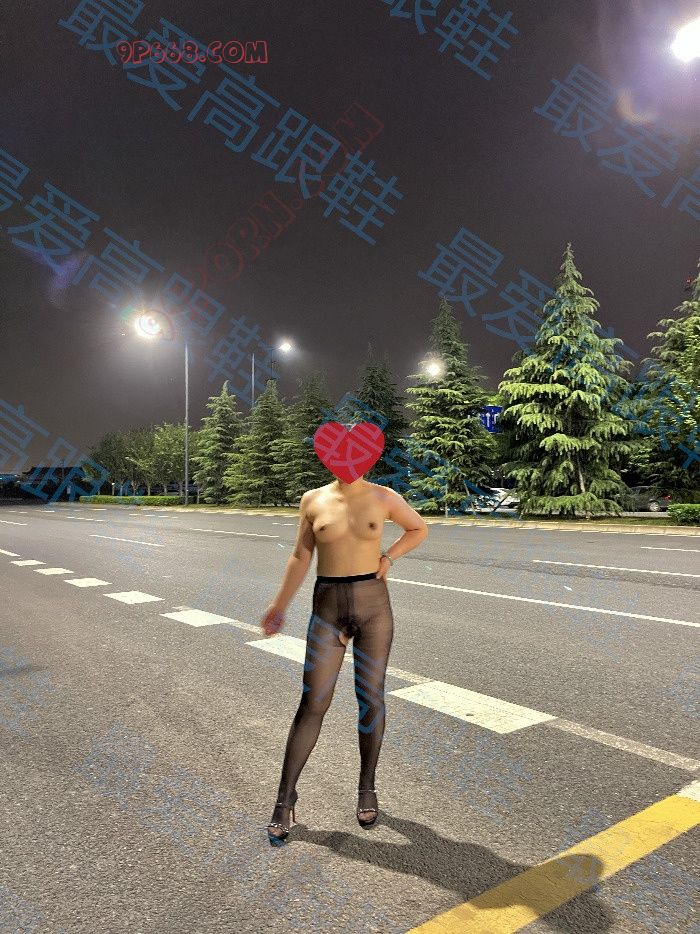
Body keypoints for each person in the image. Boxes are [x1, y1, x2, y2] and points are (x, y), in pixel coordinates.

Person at [261, 473, 429, 844]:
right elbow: (301, 555)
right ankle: (285, 798)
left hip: (374, 608)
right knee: (313, 702)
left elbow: (418, 528)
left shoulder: (384, 497)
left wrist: (390, 556)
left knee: (371, 698)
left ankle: (367, 787)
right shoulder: (313, 499)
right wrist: (279, 606)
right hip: (327, 610)